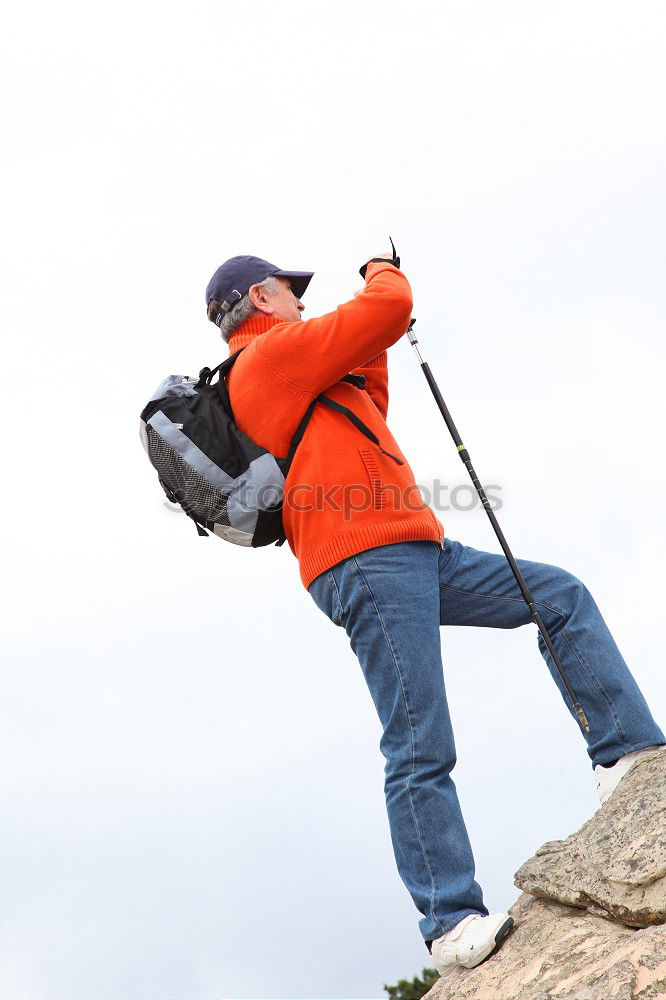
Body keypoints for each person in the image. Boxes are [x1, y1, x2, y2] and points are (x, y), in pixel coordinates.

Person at [204, 250, 665, 972]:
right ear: (260, 297)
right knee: (420, 741)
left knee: (558, 597)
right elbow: (384, 310)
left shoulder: (302, 365)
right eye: (292, 291)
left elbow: (370, 393)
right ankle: (449, 920)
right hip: (365, 555)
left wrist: (371, 328)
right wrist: (379, 270)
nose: (300, 300)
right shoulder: (264, 361)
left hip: (416, 546)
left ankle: (625, 752)